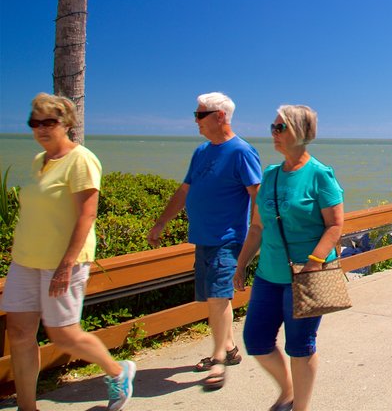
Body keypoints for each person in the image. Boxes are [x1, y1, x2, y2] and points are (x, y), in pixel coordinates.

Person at [1, 94, 135, 411]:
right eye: (35, 122)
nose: (42, 129)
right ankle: (27, 407)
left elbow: (87, 216)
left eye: (50, 122)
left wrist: (66, 265)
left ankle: (118, 371)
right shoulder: (39, 161)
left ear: (67, 124)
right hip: (25, 260)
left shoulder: (81, 160)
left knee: (63, 334)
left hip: (63, 262)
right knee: (20, 334)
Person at [234, 105, 345, 411]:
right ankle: (287, 391)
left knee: (300, 347)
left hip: (305, 276)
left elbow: (335, 225)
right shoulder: (269, 175)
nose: (274, 132)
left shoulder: (320, 175)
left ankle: (301, 407)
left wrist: (314, 262)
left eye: (280, 127)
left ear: (301, 132)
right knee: (256, 340)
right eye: (273, 126)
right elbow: (256, 226)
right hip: (268, 275)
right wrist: (241, 263)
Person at [148, 92, 261, 390]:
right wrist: (161, 222)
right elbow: (185, 190)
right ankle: (231, 349)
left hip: (228, 238)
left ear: (220, 116)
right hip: (203, 238)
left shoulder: (242, 152)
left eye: (200, 114)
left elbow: (256, 196)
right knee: (213, 297)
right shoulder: (201, 152)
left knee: (218, 296)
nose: (194, 120)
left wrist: (255, 236)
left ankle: (218, 360)